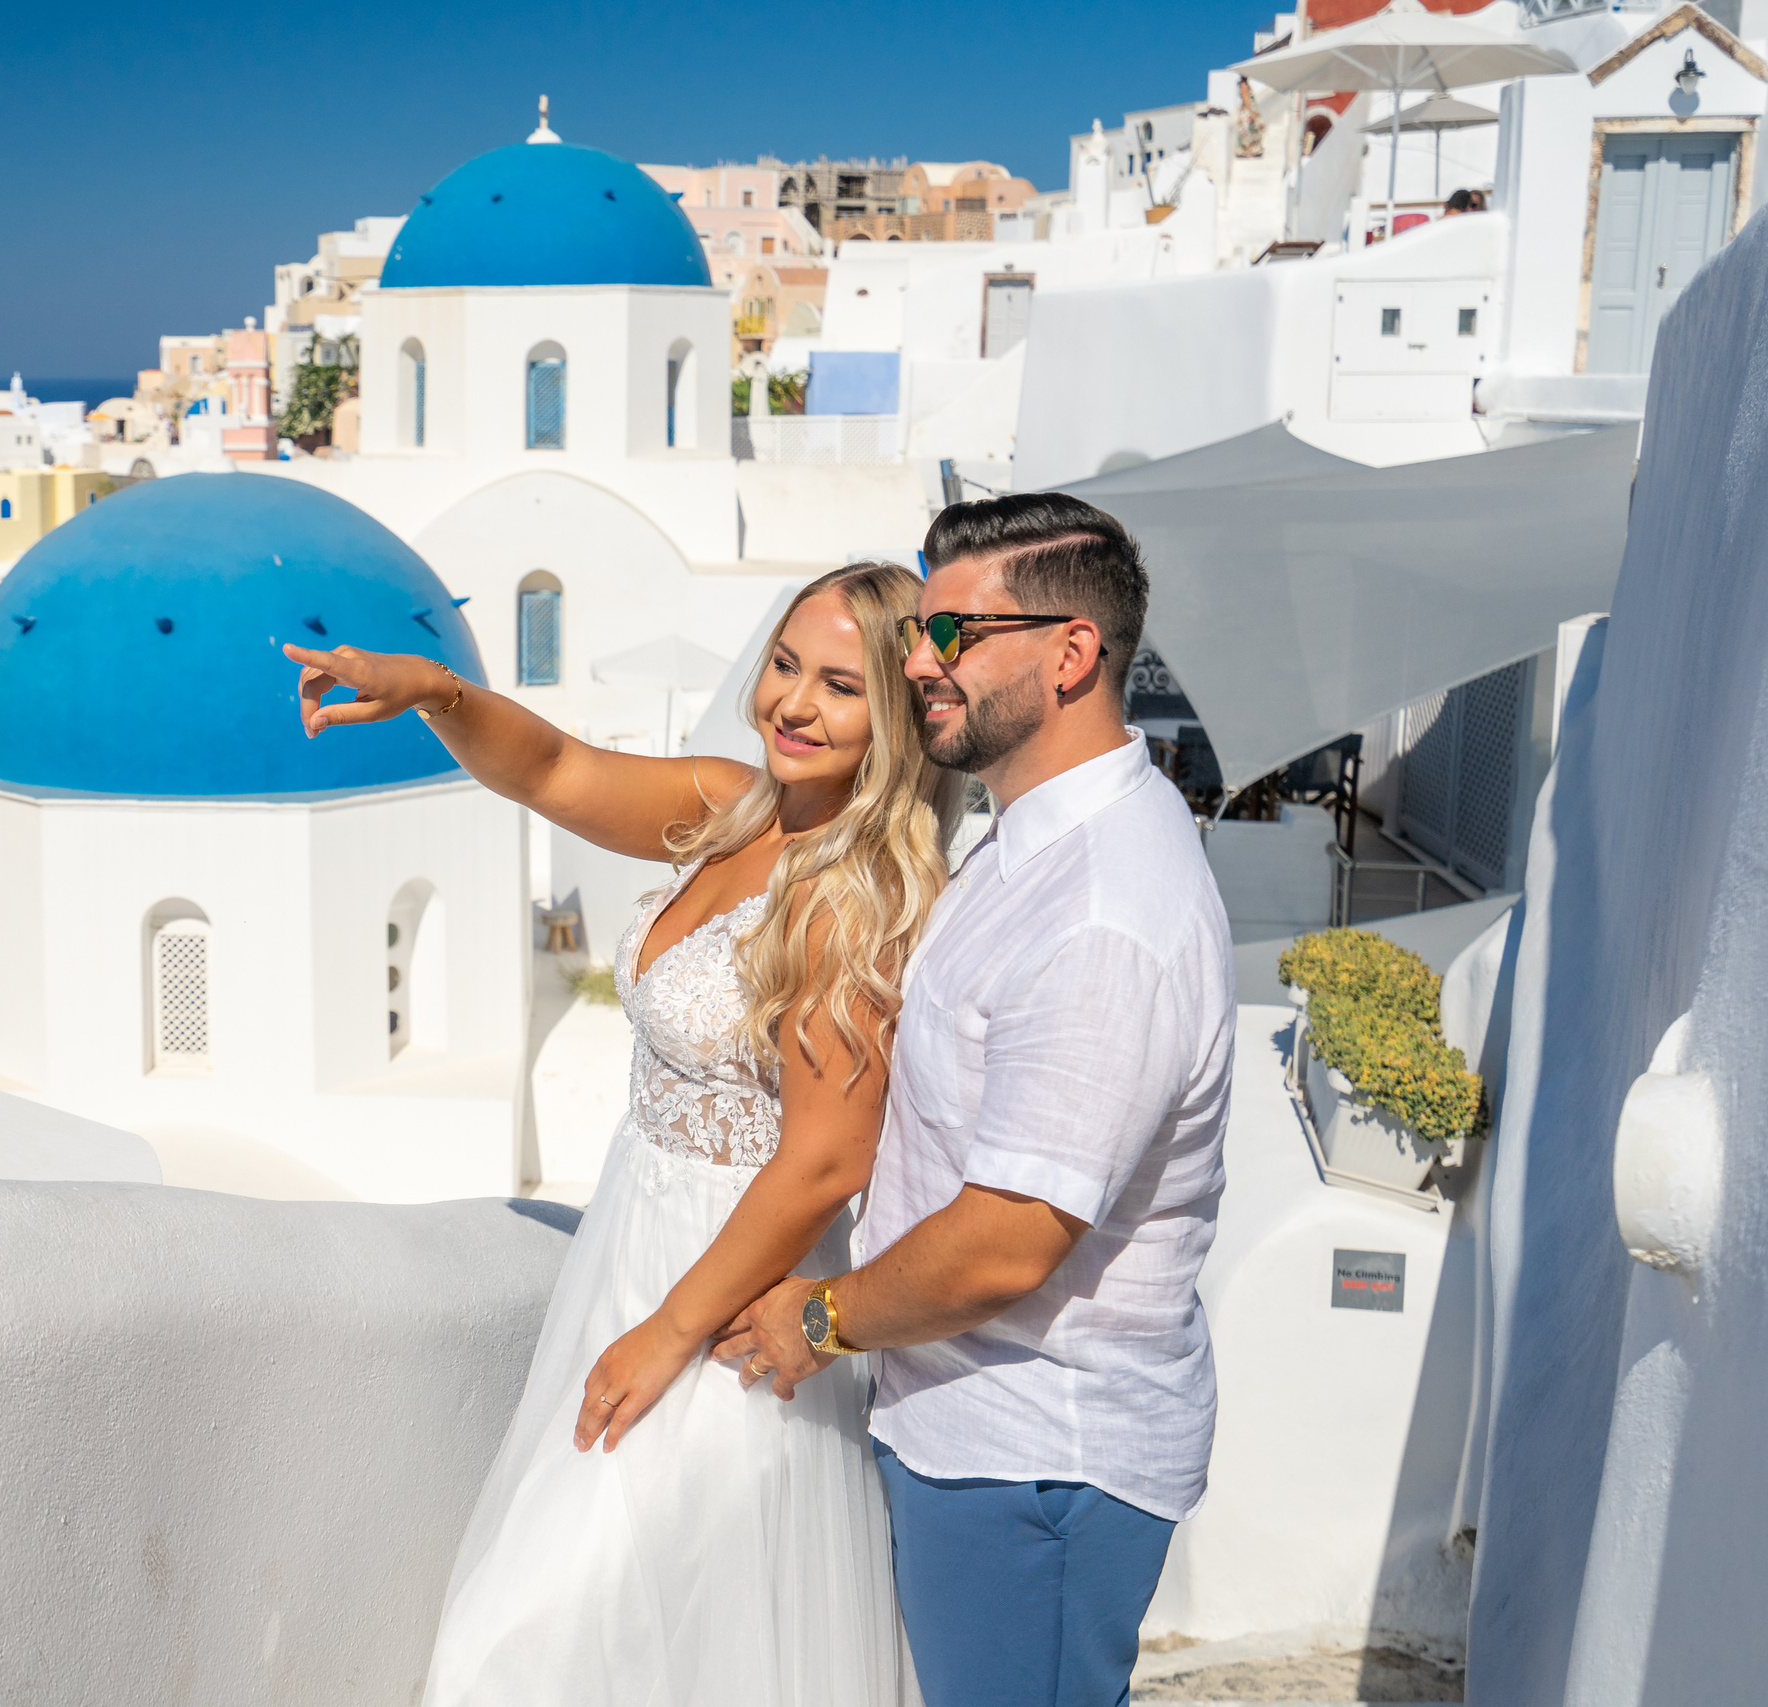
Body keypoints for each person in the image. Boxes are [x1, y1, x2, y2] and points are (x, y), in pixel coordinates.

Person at [283, 563, 967, 1707]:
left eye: (841, 687)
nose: (794, 704)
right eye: (786, 667)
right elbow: (557, 770)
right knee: (612, 1637)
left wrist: (666, 1336)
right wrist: (437, 694)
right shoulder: (733, 806)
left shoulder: (852, 898)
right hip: (628, 1242)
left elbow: (825, 1160)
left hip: (728, 1296)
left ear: (896, 718)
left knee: (556, 1629)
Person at [717, 495, 1236, 1707]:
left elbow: (1010, 1239)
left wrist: (818, 1319)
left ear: (1070, 656)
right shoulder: (1030, 840)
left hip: (1033, 1460)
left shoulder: (1108, 912)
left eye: (953, 634)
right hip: (966, 1432)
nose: (915, 661)